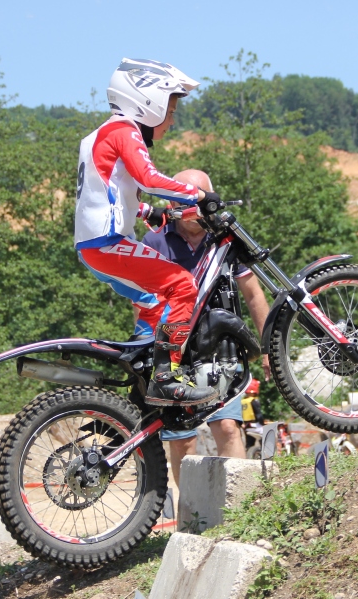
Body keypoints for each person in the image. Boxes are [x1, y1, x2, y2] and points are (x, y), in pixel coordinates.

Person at [74, 58, 222, 406]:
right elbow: (150, 179)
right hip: (108, 245)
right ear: (147, 102)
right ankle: (166, 377)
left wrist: (147, 211)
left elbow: (106, 193)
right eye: (170, 111)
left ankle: (142, 379)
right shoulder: (123, 130)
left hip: (98, 244)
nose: (172, 120)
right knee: (183, 285)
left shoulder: (102, 134)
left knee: (155, 302)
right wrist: (200, 196)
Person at [138, 169, 271, 485]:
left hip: (220, 349)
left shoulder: (225, 237)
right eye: (181, 201)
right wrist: (147, 349)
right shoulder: (155, 240)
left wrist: (268, 349)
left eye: (196, 200)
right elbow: (142, 301)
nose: (189, 209)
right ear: (171, 203)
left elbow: (253, 294)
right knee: (182, 440)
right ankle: (189, 509)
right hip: (173, 350)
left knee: (227, 427)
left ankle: (240, 505)